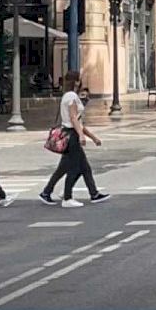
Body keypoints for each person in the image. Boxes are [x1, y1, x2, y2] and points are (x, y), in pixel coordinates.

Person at [40, 71, 109, 208]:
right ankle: (67, 197)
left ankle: (93, 193)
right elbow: (73, 118)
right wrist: (81, 135)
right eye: (79, 80)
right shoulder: (71, 96)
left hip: (71, 133)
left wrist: (93, 137)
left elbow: (78, 121)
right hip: (72, 135)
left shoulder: (68, 95)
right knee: (75, 168)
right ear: (76, 81)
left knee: (79, 167)